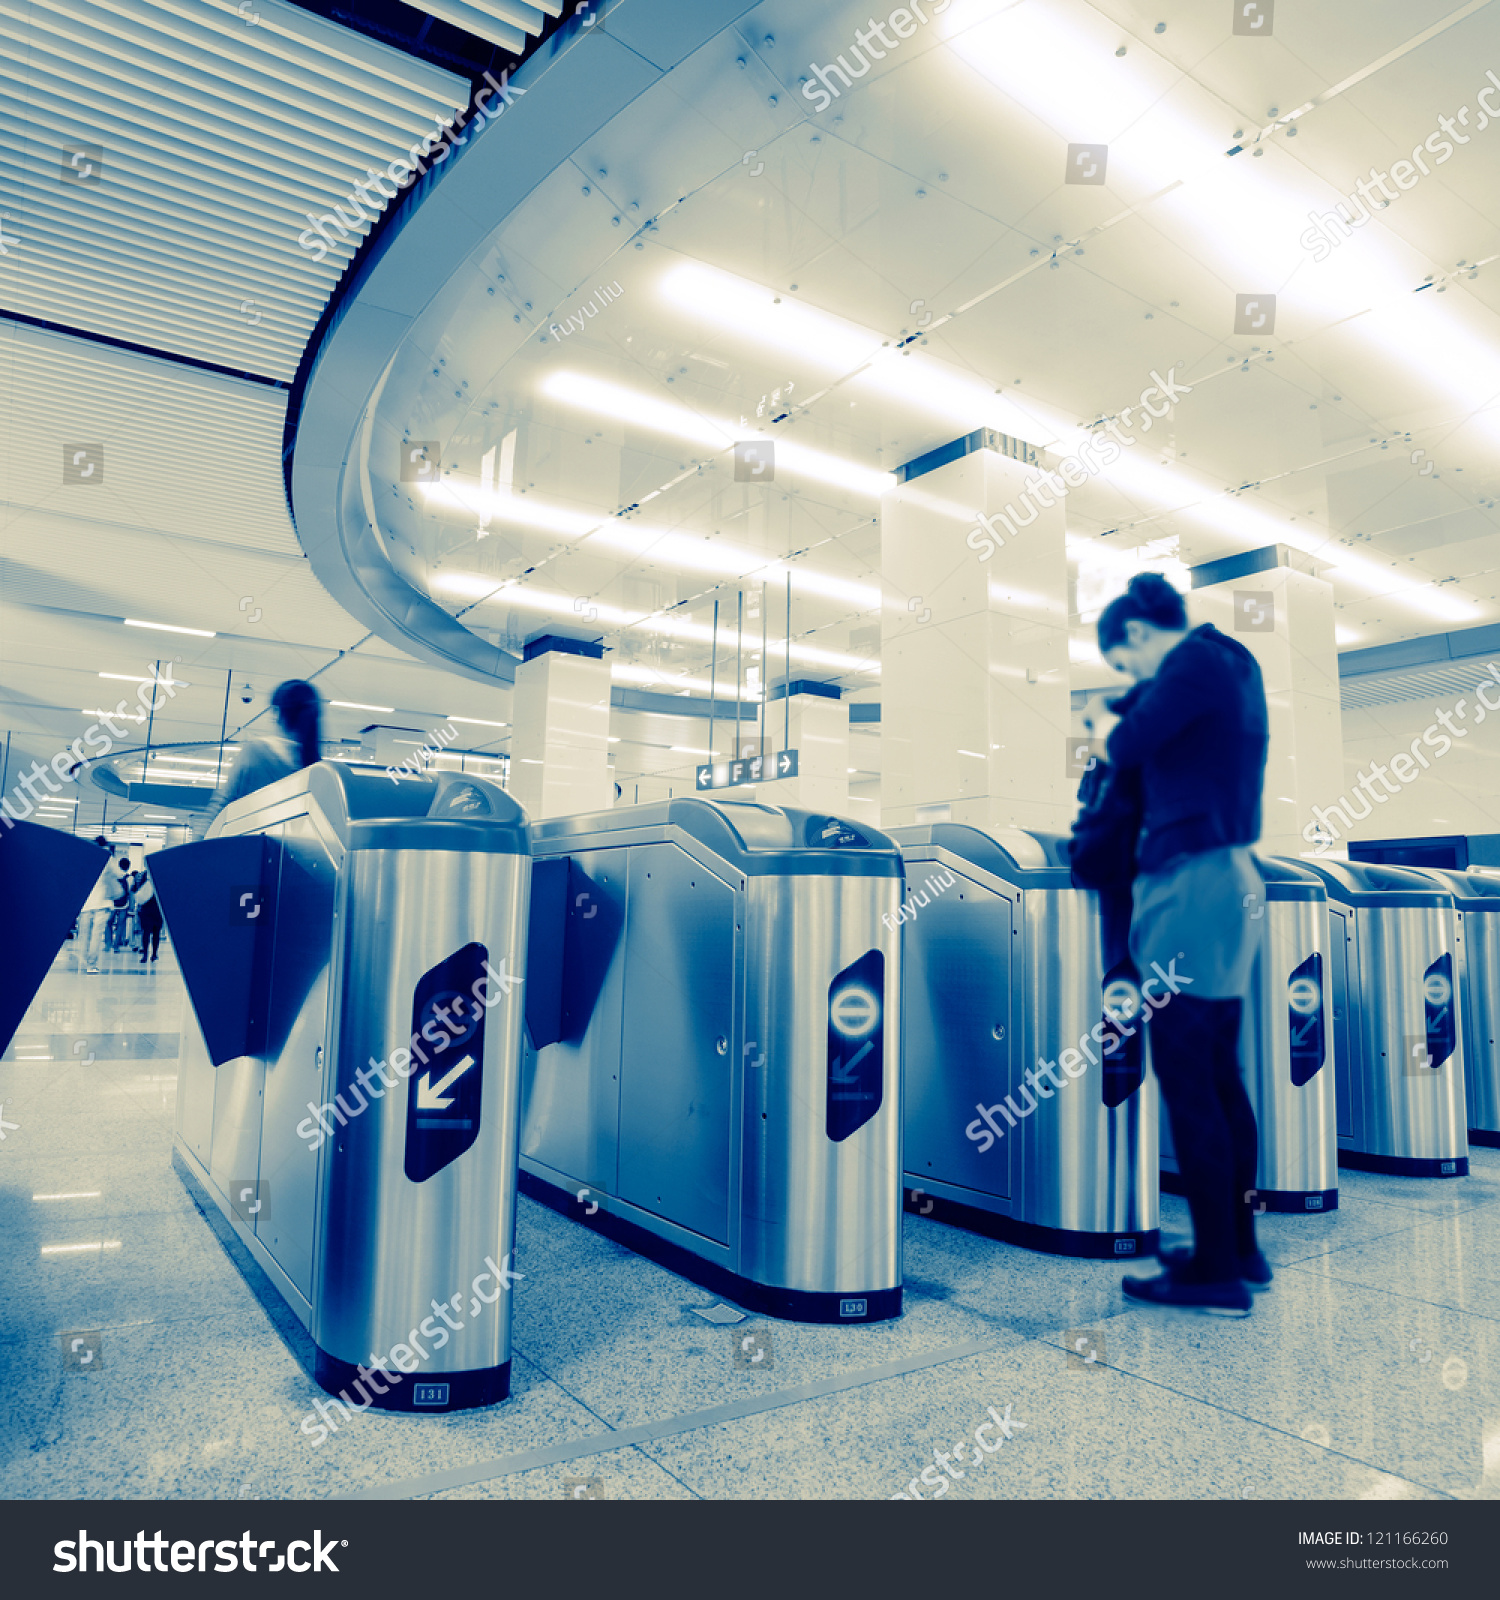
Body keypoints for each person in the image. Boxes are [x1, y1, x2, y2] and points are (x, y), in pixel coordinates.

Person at [1096, 574, 1270, 1318]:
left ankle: (1213, 1274)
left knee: (1188, 1076)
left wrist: (1116, 713)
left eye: (1122, 663)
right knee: (1221, 1073)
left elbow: (1126, 744)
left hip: (1192, 882)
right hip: (1231, 877)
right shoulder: (1234, 660)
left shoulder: (1190, 664)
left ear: (1137, 633)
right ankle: (1236, 1248)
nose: (1129, 678)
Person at [196, 681, 323, 838]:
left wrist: (193, 849)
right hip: (294, 858)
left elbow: (220, 808)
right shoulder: (318, 769)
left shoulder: (255, 753)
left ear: (276, 713)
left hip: (251, 853)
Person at [77, 838, 123, 974]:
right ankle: (91, 964)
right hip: (102, 902)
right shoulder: (108, 857)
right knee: (96, 934)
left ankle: (84, 960)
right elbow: (120, 874)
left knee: (84, 933)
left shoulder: (85, 858)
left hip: (86, 903)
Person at [134, 865, 164, 963]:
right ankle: (154, 954)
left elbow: (138, 896)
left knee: (146, 933)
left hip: (146, 910)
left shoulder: (144, 882)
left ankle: (145, 955)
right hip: (157, 911)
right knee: (156, 933)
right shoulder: (160, 882)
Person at [107, 857, 134, 951]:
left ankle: (108, 944)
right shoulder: (130, 878)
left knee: (108, 922)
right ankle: (116, 946)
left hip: (112, 903)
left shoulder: (113, 876)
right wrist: (131, 906)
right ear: (128, 867)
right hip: (124, 904)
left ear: (119, 865)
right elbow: (131, 894)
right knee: (121, 924)